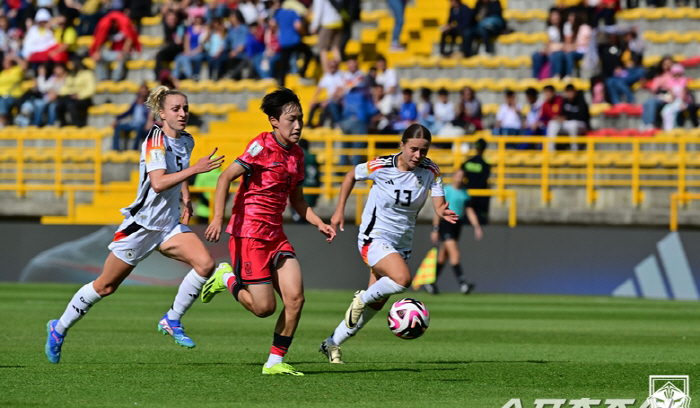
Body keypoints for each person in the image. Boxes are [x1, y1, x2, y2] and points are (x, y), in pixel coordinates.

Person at [45, 85, 225, 364]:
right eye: (176, 109)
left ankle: (172, 319)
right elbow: (158, 181)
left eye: (185, 108)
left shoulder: (187, 140)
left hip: (167, 226)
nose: (182, 113)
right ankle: (58, 329)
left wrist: (186, 198)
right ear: (162, 113)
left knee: (205, 264)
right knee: (105, 286)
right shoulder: (155, 140)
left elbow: (179, 173)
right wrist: (196, 170)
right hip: (141, 226)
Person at [200, 87, 335, 377]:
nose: (297, 125)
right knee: (264, 308)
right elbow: (225, 177)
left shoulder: (297, 155)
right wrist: (217, 218)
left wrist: (318, 221)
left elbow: (298, 201)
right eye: (291, 119)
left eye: (300, 118)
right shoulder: (260, 146)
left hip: (275, 235)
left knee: (296, 299)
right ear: (274, 121)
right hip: (248, 234)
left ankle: (274, 362)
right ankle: (226, 278)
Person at [318, 124, 459, 364]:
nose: (418, 155)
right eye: (413, 149)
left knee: (377, 302)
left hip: (401, 244)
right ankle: (360, 298)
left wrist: (442, 211)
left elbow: (437, 204)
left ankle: (332, 343)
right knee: (402, 280)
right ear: (402, 145)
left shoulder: (431, 171)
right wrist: (339, 210)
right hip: (374, 237)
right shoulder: (380, 166)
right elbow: (351, 175)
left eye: (423, 151)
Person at [424, 168, 482, 295]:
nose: (459, 178)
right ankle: (463, 283)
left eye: (462, 176)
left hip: (457, 225)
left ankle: (430, 282)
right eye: (458, 175)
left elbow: (469, 210)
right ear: (454, 176)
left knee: (443, 257)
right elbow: (439, 210)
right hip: (446, 224)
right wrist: (435, 228)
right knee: (455, 254)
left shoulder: (464, 192)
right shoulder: (447, 190)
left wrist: (476, 226)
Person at [112, 83, 151, 151]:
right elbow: (128, 112)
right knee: (118, 127)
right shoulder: (136, 102)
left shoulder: (148, 104)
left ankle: (134, 149)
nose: (142, 93)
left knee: (139, 129)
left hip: (142, 124)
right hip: (133, 123)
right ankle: (116, 148)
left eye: (144, 91)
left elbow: (150, 115)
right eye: (141, 91)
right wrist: (117, 118)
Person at [461, 138, 491, 225]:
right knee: (481, 220)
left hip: (468, 193)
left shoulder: (467, 162)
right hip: (480, 197)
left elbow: (461, 175)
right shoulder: (486, 164)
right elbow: (484, 180)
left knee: (467, 218)